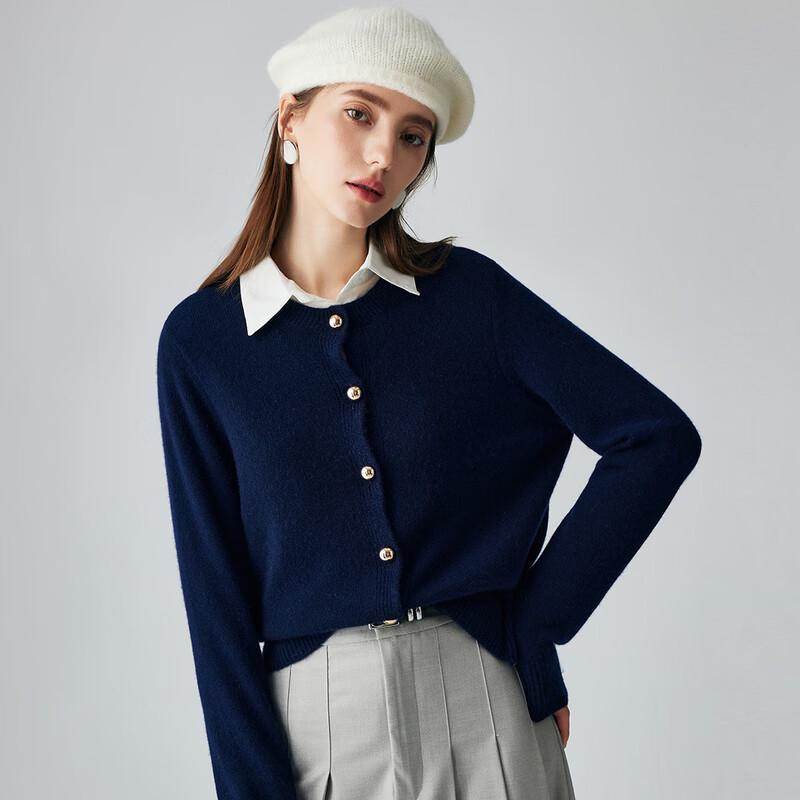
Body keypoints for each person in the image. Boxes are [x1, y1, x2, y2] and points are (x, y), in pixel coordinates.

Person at [155, 7, 702, 800]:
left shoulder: (470, 298)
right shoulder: (204, 342)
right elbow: (216, 603)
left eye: (413, 136)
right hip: (315, 723)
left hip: (485, 698)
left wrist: (537, 623)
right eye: (359, 113)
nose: (385, 153)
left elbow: (653, 437)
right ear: (291, 119)